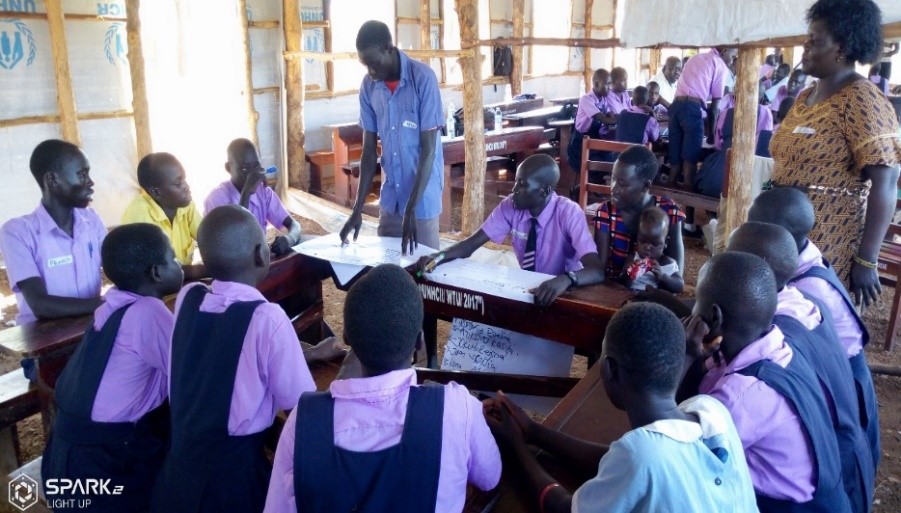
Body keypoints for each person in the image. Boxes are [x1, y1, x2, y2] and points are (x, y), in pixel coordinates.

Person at [263, 264, 501, 513]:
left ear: (346, 337)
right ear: (419, 342)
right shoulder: (457, 409)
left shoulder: (304, 421)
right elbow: (490, 477)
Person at [482, 302, 758, 513]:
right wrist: (532, 431)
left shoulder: (642, 454)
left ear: (609, 369)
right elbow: (620, 461)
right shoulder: (711, 411)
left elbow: (566, 508)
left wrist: (515, 447)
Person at [152, 205, 315, 513]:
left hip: (176, 478)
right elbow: (302, 408)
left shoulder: (189, 298)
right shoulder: (267, 318)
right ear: (261, 254)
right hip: (233, 484)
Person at [682, 252, 852, 511]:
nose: (693, 311)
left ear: (715, 318)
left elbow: (677, 449)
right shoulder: (775, 349)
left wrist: (684, 359)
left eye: (697, 303)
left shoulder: (739, 396)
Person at [726, 222, 874, 513]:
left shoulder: (761, 369)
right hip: (835, 452)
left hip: (813, 486)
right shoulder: (804, 305)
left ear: (756, 275)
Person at [41, 224, 183, 513]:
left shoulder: (110, 307)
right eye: (173, 259)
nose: (179, 265)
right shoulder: (148, 312)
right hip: (105, 466)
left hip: (62, 460)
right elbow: (188, 372)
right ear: (157, 273)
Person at [769, 0, 901, 305]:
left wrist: (867, 259)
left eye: (815, 40)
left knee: (815, 326)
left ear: (841, 47)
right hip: (783, 235)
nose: (805, 46)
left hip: (828, 239)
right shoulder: (806, 95)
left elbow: (886, 181)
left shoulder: (862, 99)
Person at [748, 187, 881, 473]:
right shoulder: (804, 254)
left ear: (781, 238)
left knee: (843, 464)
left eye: (753, 229)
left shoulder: (806, 291)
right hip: (834, 376)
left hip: (840, 390)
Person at [416, 154, 604, 308]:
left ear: (544, 191)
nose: (514, 190)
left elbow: (596, 270)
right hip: (529, 289)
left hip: (566, 292)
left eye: (522, 185)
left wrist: (565, 280)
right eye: (516, 182)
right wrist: (438, 257)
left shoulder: (569, 213)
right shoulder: (510, 206)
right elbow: (470, 245)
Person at [339, 20, 445, 254]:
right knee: (388, 271)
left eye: (375, 64)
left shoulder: (422, 79)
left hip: (422, 200)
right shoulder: (369, 87)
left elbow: (429, 151)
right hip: (391, 198)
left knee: (423, 273)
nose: (371, 72)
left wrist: (411, 210)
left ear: (390, 48)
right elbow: (368, 152)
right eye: (366, 66)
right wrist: (357, 210)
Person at [0, 139, 105, 325]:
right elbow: (41, 305)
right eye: (82, 175)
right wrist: (106, 304)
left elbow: (120, 268)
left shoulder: (91, 220)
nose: (91, 182)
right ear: (52, 180)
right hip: (44, 343)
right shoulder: (18, 232)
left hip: (89, 330)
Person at [594, 146, 685, 292]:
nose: (613, 188)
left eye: (622, 183)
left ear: (645, 186)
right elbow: (600, 271)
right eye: (612, 179)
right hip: (615, 291)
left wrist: (659, 280)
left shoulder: (669, 212)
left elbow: (677, 277)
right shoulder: (606, 212)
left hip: (657, 296)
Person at [204, 138, 302, 256]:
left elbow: (294, 225)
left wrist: (289, 239)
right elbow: (235, 245)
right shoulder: (216, 200)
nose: (252, 176)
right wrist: (246, 194)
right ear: (229, 168)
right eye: (244, 169)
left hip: (259, 261)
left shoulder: (263, 192)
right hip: (233, 266)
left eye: (256, 167)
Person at [122, 152, 206, 280]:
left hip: (179, 283)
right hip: (151, 293)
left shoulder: (186, 205)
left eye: (184, 180)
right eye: (178, 184)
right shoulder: (139, 217)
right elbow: (163, 273)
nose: (187, 187)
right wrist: (209, 270)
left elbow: (208, 238)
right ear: (156, 192)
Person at [668, 46, 736, 190]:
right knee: (690, 158)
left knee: (675, 159)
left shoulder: (695, 57)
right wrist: (712, 136)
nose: (732, 60)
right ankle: (689, 207)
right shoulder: (719, 65)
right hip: (692, 109)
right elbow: (715, 108)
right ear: (724, 50)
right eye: (733, 55)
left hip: (675, 107)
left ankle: (669, 196)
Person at [621, 206, 682, 292]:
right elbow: (622, 283)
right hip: (632, 297)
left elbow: (679, 286)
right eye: (643, 241)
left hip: (656, 300)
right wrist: (629, 274)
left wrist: (663, 276)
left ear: (666, 243)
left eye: (655, 244)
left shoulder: (667, 263)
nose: (648, 247)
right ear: (637, 239)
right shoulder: (633, 258)